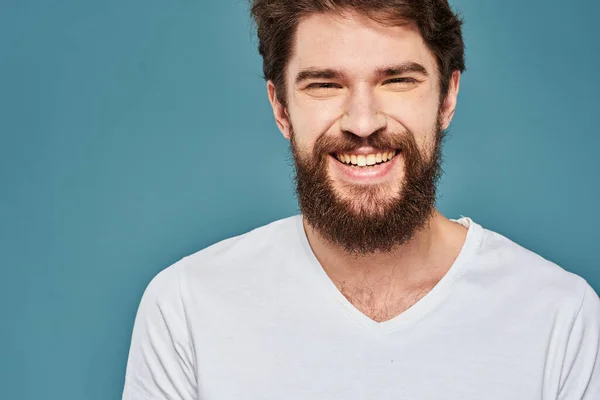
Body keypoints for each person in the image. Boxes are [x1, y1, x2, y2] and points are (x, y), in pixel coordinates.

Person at [122, 0, 600, 398]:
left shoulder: (562, 317)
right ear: (280, 108)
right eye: (325, 85)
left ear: (448, 97)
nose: (363, 122)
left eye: (398, 80)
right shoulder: (186, 309)